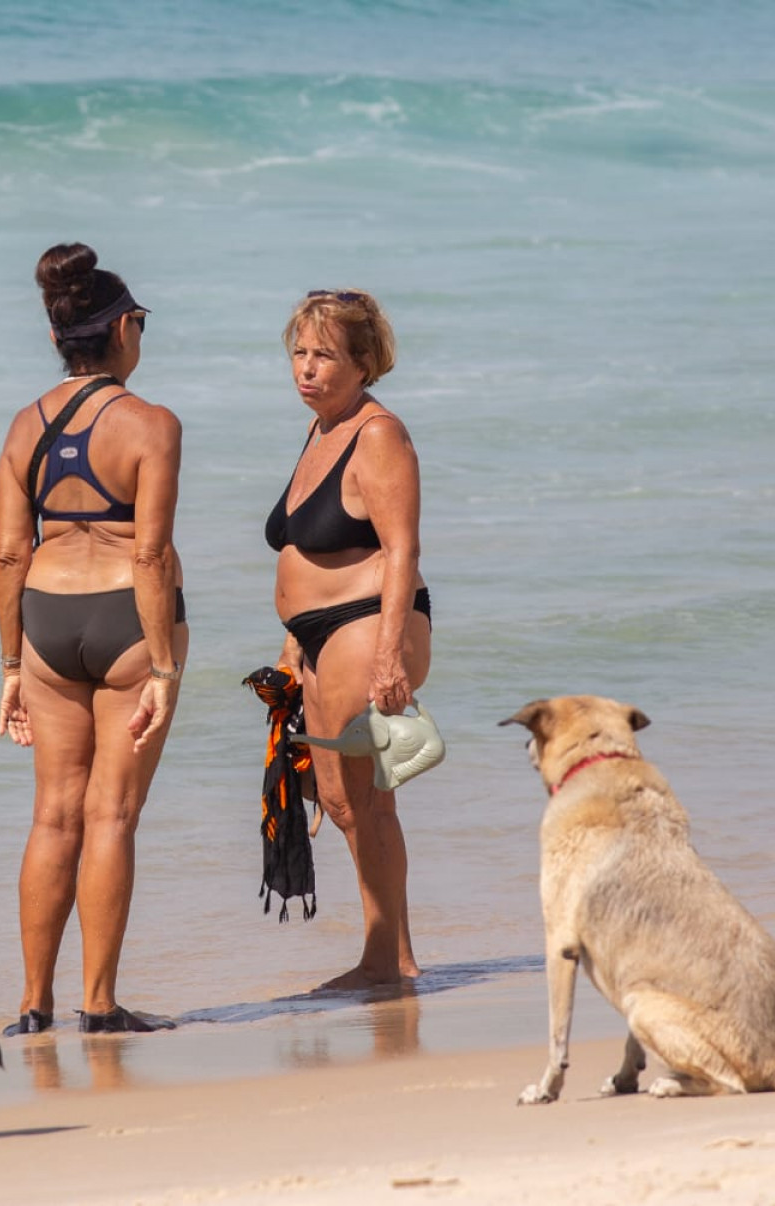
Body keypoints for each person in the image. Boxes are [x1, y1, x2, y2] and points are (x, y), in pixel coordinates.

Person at [0, 243, 186, 1035]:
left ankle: (32, 1005)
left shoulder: (23, 426)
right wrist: (164, 667)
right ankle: (99, 1005)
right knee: (110, 816)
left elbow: (10, 555)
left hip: (44, 621)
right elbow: (149, 554)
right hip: (127, 622)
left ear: (56, 337)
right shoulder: (151, 425)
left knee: (52, 817)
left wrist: (11, 665)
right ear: (123, 330)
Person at [266, 288, 430, 991]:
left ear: (364, 362)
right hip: (319, 639)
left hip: (368, 626)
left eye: (324, 355)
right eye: (299, 353)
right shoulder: (322, 429)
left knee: (367, 802)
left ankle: (386, 960)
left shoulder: (378, 434)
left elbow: (402, 551)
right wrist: (291, 645)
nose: (306, 368)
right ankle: (390, 954)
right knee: (336, 802)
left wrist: (389, 656)